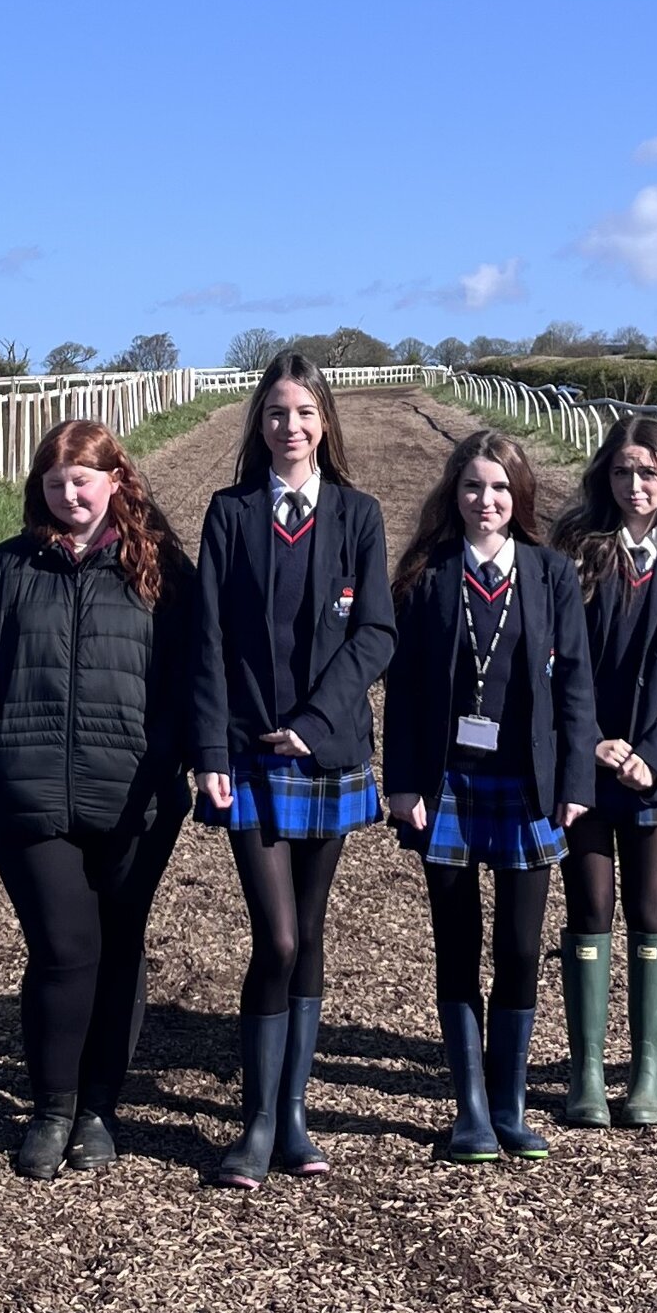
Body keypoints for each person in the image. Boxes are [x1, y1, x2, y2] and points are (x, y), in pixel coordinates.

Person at [0, 419, 194, 1179]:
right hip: (28, 795)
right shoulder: (9, 567)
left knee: (118, 949)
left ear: (116, 480)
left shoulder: (161, 570)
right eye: (55, 482)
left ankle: (98, 1109)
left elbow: (194, 672)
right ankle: (51, 1107)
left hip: (135, 798)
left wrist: (170, 751)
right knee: (60, 950)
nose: (69, 493)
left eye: (82, 478)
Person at [191, 351, 395, 1189]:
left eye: (305, 413)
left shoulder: (359, 514)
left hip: (327, 751)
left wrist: (314, 725)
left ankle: (296, 1113)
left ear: (325, 424)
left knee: (306, 934)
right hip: (245, 754)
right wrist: (209, 752)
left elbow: (375, 633)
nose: (291, 427)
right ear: (260, 424)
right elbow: (205, 638)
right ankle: (258, 1119)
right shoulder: (230, 513)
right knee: (273, 935)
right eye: (277, 413)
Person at [385, 430, 595, 1163]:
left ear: (520, 496)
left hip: (527, 785)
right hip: (447, 786)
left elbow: (575, 687)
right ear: (455, 493)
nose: (486, 500)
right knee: (457, 944)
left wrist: (576, 782)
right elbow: (405, 692)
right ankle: (468, 1107)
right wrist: (402, 780)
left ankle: (508, 1104)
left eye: (500, 487)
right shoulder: (426, 574)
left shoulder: (550, 573)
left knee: (518, 945)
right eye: (474, 487)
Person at [549, 416, 657, 1129]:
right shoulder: (575, 555)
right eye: (623, 472)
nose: (635, 485)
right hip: (587, 764)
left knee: (650, 907)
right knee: (590, 906)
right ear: (605, 477)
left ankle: (646, 1071)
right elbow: (555, 660)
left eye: (649, 473)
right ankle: (587, 1070)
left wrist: (651, 752)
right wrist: (592, 744)